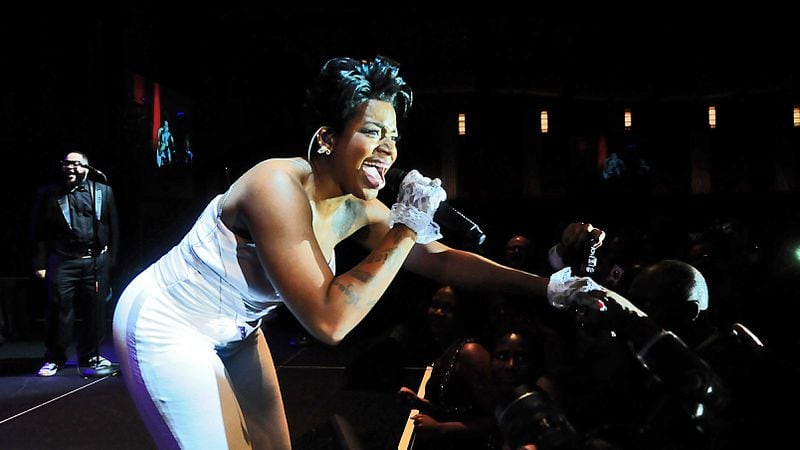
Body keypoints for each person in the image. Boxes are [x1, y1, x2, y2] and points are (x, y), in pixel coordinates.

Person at [112, 56, 610, 449]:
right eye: (372, 131)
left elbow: (438, 259)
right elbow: (329, 322)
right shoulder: (276, 186)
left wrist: (548, 286)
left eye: (393, 136)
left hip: (237, 328)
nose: (388, 148)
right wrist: (406, 228)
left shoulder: (360, 209)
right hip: (167, 322)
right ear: (327, 138)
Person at [31, 151, 118, 376]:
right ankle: (54, 358)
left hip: (96, 261)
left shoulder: (102, 191)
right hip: (63, 261)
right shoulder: (49, 194)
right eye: (66, 164)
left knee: (95, 311)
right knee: (60, 310)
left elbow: (114, 227)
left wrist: (110, 261)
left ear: (86, 168)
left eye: (75, 164)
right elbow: (38, 232)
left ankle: (90, 355)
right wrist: (40, 264)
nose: (69, 168)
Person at [397, 286, 498, 449]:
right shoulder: (449, 348)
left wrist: (441, 428)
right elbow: (455, 411)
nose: (437, 312)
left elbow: (497, 419)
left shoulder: (471, 352)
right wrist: (420, 403)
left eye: (448, 308)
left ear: (463, 315)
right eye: (435, 305)